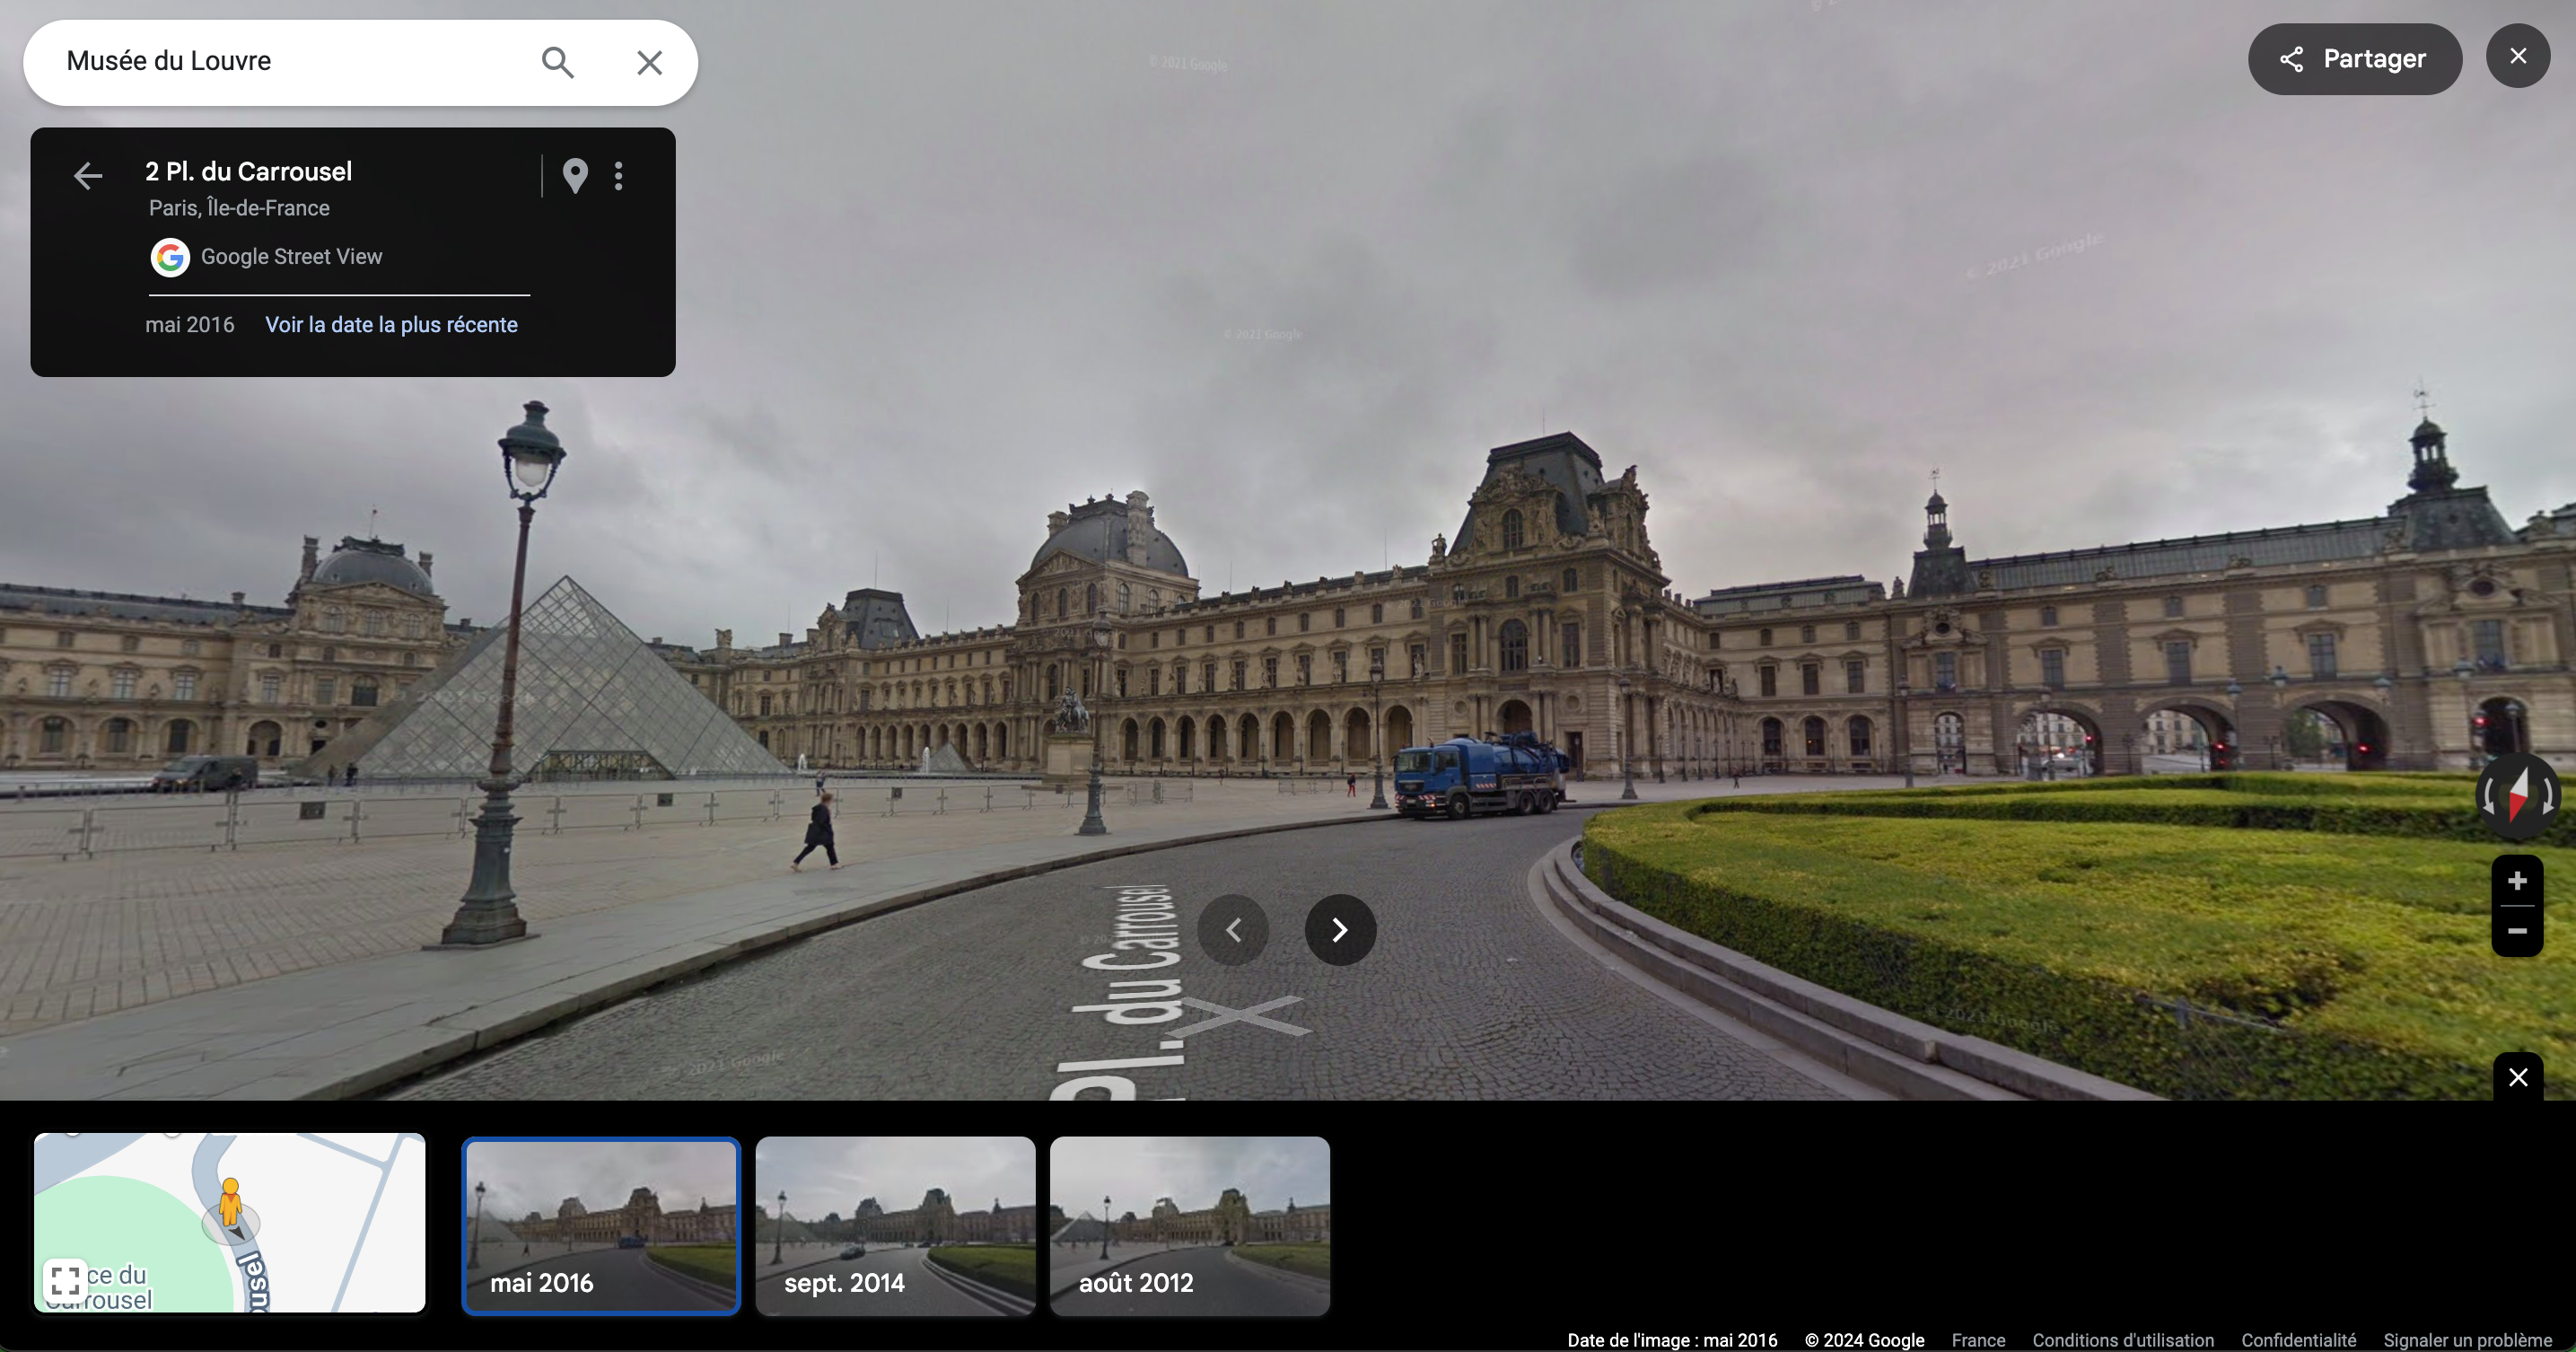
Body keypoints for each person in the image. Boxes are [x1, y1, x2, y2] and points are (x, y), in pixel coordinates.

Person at [792, 792, 840, 870]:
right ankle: (834, 864)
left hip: (815, 830)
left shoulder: (818, 807)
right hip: (822, 832)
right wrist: (829, 829)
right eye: (831, 800)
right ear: (828, 800)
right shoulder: (823, 809)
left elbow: (813, 818)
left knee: (810, 847)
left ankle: (795, 862)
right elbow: (822, 821)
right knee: (830, 847)